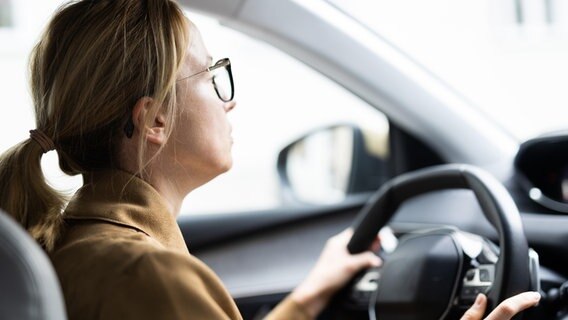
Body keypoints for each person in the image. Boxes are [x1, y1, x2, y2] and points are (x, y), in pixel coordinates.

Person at [0, 0, 540, 319]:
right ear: (154, 121)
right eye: (213, 76)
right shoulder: (146, 274)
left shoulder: (76, 245)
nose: (230, 99)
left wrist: (306, 299)